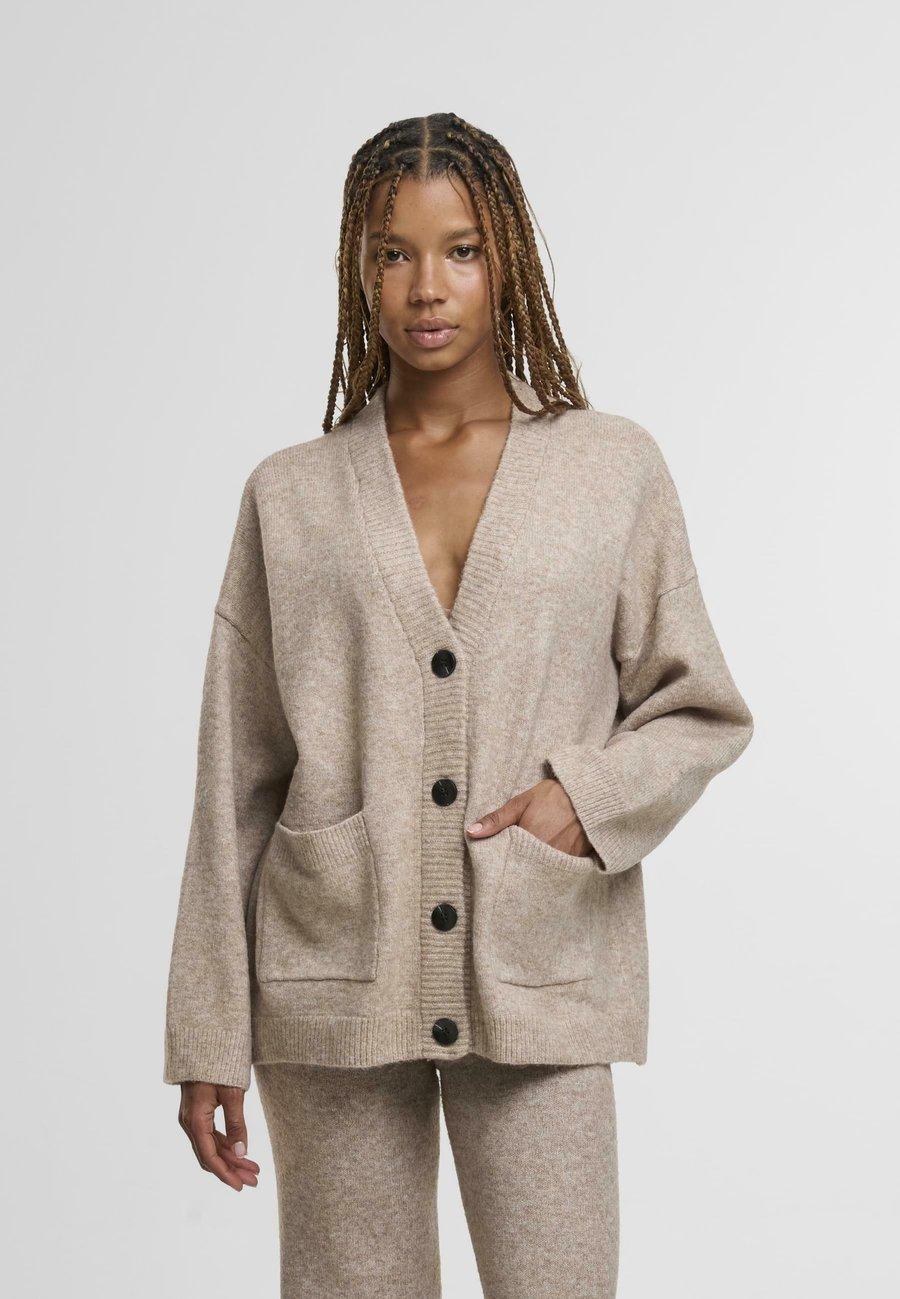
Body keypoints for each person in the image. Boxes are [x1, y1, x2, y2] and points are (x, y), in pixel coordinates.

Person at [163, 111, 754, 1298]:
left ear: (508, 258)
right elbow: (236, 777)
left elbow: (700, 707)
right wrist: (207, 1030)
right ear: (358, 267)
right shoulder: (291, 496)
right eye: (393, 252)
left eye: (462, 249)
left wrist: (583, 801)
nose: (426, 286)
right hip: (331, 971)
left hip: (541, 964)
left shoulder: (609, 468)